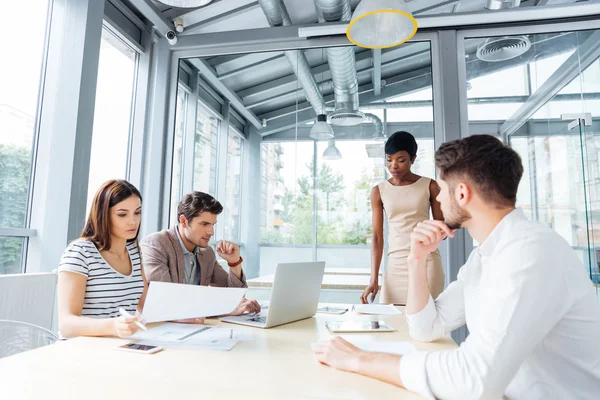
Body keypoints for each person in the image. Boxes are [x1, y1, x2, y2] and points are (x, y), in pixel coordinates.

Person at [314, 135, 600, 399]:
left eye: (443, 190)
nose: (437, 198)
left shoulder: (530, 253)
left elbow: (472, 380)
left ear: (461, 194)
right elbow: (427, 328)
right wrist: (416, 260)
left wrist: (359, 359)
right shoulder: (485, 257)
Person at [140, 191, 259, 316]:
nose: (211, 232)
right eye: (204, 224)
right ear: (183, 221)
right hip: (161, 327)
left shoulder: (206, 253)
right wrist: (224, 309)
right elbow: (165, 301)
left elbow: (234, 297)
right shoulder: (156, 244)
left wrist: (234, 263)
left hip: (194, 326)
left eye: (213, 225)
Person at [361, 131, 444, 305]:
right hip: (395, 266)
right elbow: (377, 237)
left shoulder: (430, 186)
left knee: (427, 323)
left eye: (401, 160)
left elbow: (441, 229)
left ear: (413, 159)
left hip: (426, 263)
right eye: (389, 160)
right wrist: (374, 278)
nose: (393, 166)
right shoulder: (379, 191)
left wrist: (426, 238)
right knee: (392, 323)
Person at [57, 180, 148, 338]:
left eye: (137, 212)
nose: (133, 221)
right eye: (122, 214)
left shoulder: (133, 251)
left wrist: (182, 317)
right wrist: (113, 326)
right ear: (103, 215)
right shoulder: (80, 252)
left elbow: (146, 305)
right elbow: (66, 325)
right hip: (81, 350)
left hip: (118, 346)